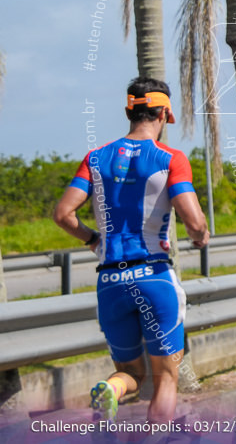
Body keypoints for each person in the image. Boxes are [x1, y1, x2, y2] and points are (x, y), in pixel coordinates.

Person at [51, 78, 209, 423]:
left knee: (131, 375)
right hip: (154, 278)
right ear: (165, 113)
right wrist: (201, 235)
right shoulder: (171, 158)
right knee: (166, 376)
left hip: (110, 282)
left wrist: (94, 241)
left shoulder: (95, 158)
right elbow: (194, 221)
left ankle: (111, 390)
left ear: (129, 110)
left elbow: (63, 214)